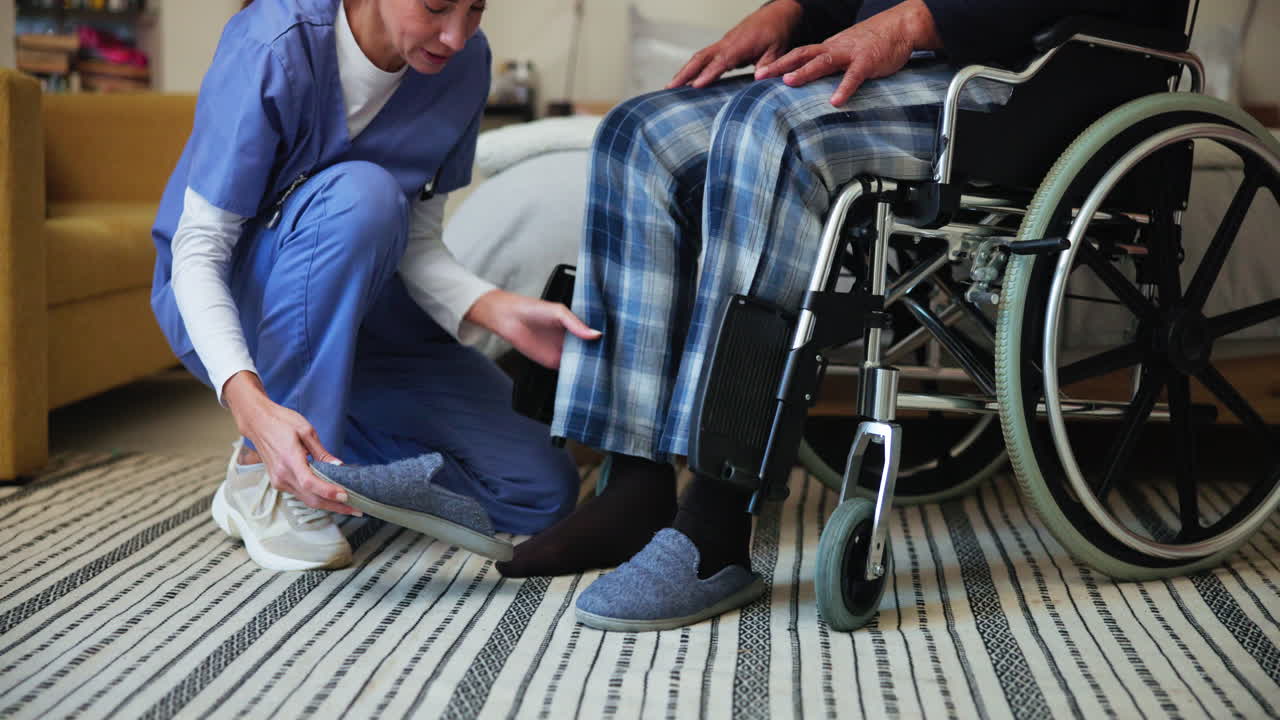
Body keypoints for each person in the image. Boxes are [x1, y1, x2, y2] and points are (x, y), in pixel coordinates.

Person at [494, 0, 1188, 630]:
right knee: (638, 131)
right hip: (912, 62)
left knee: (773, 130)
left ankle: (715, 523)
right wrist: (793, 12)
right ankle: (634, 482)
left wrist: (919, 21)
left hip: (1032, 76)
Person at [150, 0, 597, 572]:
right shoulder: (272, 43)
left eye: (476, 9)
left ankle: (328, 458)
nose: (456, 35)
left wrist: (493, 308)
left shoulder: (463, 64)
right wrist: (249, 406)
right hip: (242, 308)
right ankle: (265, 478)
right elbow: (199, 249)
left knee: (537, 491)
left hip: (373, 322)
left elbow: (419, 239)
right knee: (362, 196)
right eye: (437, 6)